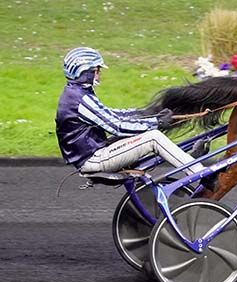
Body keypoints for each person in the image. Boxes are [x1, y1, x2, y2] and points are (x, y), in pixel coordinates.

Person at [55, 47, 213, 186]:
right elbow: (117, 126)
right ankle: (198, 171)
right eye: (97, 70)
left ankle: (186, 160)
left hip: (93, 154)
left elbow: (113, 114)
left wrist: (146, 115)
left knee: (146, 135)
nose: (99, 74)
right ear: (85, 72)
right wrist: (155, 123)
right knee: (153, 137)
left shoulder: (75, 93)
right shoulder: (80, 99)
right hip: (93, 160)